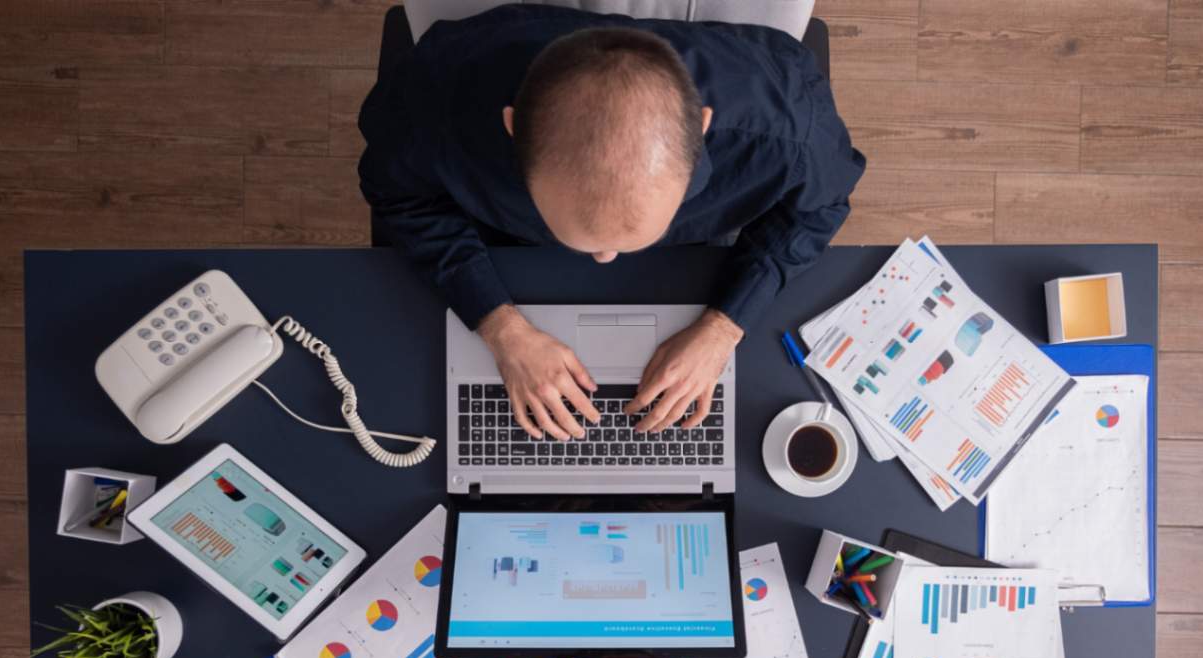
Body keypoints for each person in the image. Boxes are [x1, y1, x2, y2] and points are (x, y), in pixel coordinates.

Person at [359, 4, 865, 441]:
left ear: (703, 129)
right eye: (585, 240)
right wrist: (499, 325)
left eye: (631, 238)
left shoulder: (790, 134)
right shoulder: (433, 111)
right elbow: (397, 195)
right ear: (513, 128)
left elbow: (821, 208)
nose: (604, 260)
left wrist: (725, 326)